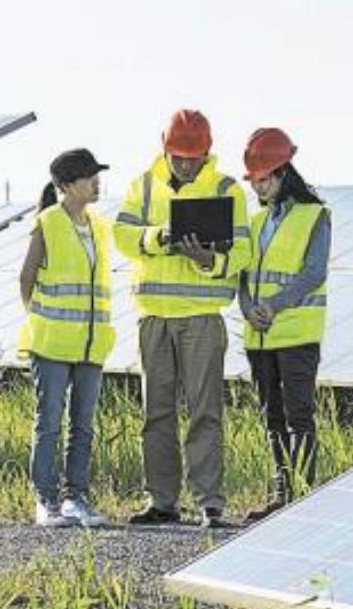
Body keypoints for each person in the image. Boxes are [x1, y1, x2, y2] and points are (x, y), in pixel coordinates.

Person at [114, 109, 252, 527]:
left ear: (207, 152)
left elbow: (243, 252)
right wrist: (158, 238)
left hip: (202, 319)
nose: (187, 164)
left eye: (194, 157)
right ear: (165, 149)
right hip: (153, 317)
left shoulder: (228, 189)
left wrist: (210, 259)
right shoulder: (142, 186)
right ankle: (162, 502)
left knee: (205, 412)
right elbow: (121, 235)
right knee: (156, 413)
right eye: (179, 156)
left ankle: (209, 502)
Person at [18, 148, 115, 528]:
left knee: (84, 424)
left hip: (91, 344)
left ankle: (77, 498)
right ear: (65, 186)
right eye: (88, 176)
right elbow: (26, 279)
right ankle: (46, 501)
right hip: (52, 344)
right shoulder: (48, 223)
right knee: (50, 423)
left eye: (96, 174)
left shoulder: (100, 226)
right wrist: (39, 318)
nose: (96, 181)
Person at [238, 128, 330, 523]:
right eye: (254, 180)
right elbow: (242, 275)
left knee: (299, 416)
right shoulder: (256, 223)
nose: (257, 187)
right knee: (271, 416)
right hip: (259, 337)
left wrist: (273, 305)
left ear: (282, 173)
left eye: (263, 179)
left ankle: (302, 495)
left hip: (296, 335)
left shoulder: (315, 216)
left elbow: (313, 273)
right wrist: (248, 309)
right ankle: (280, 492)